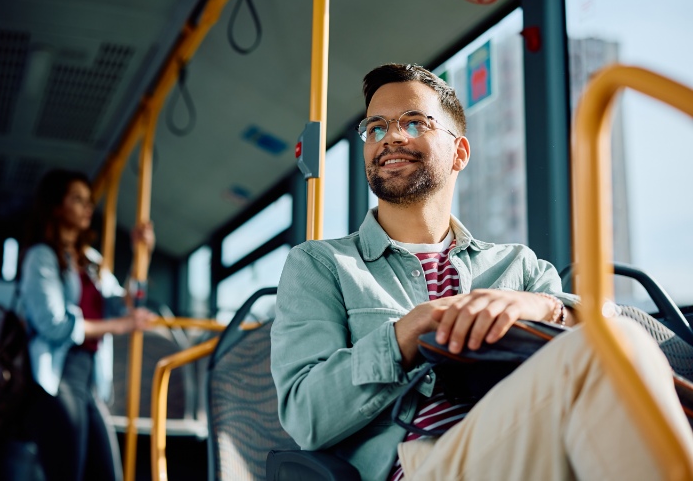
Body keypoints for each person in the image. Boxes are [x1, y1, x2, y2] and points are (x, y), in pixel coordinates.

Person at [270, 63, 693, 480]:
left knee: (614, 345)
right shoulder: (321, 265)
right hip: (414, 464)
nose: (391, 136)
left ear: (459, 153)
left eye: (414, 122)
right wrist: (412, 330)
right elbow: (306, 417)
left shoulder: (517, 266)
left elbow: (601, 323)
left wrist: (543, 306)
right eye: (376, 128)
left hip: (535, 443)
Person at [19, 169, 156, 481]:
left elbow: (124, 303)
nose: (87, 207)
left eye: (88, 201)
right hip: (57, 378)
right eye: (77, 199)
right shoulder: (41, 258)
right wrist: (120, 326)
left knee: (107, 473)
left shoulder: (90, 261)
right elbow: (54, 325)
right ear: (56, 207)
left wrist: (140, 254)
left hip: (89, 379)